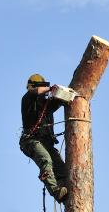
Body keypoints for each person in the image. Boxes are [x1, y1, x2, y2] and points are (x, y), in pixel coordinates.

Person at [19, 73, 68, 203]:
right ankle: (55, 190)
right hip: (31, 140)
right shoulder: (28, 99)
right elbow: (35, 92)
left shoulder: (46, 105)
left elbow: (59, 101)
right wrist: (51, 88)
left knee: (61, 167)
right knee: (46, 160)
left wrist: (65, 94)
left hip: (46, 143)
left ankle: (64, 188)